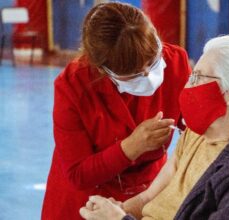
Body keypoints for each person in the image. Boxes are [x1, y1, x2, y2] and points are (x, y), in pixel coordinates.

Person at [79, 35, 229, 220]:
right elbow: (148, 199)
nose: (187, 84)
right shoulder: (197, 133)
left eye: (197, 77)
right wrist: (118, 210)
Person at [42, 2, 191, 220]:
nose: (149, 76)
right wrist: (131, 147)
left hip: (148, 189)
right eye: (132, 74)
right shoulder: (73, 86)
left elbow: (198, 126)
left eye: (152, 61)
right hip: (88, 200)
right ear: (103, 69)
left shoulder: (176, 62)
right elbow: (78, 174)